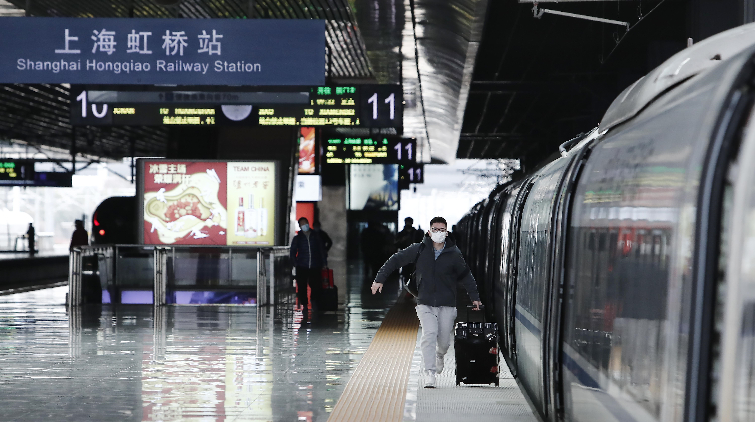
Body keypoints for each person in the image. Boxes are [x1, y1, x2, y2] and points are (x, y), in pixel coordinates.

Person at [371, 216, 482, 388]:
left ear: (447, 233)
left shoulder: (454, 254)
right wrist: (380, 279)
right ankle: (430, 374)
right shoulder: (419, 249)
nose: (438, 233)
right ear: (429, 232)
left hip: (447, 304)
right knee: (429, 334)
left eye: (442, 230)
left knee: (444, 342)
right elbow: (395, 259)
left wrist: (475, 297)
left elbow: (466, 276)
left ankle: (440, 354)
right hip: (425, 302)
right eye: (435, 229)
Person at [290, 217, 328, 310]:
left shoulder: (315, 236)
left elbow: (321, 250)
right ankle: (305, 304)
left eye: (305, 223)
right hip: (302, 265)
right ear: (299, 226)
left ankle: (314, 300)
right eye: (302, 224)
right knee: (302, 286)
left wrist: (324, 263)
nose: (304, 225)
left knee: (316, 285)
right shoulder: (298, 238)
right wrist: (295, 263)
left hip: (315, 265)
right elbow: (293, 251)